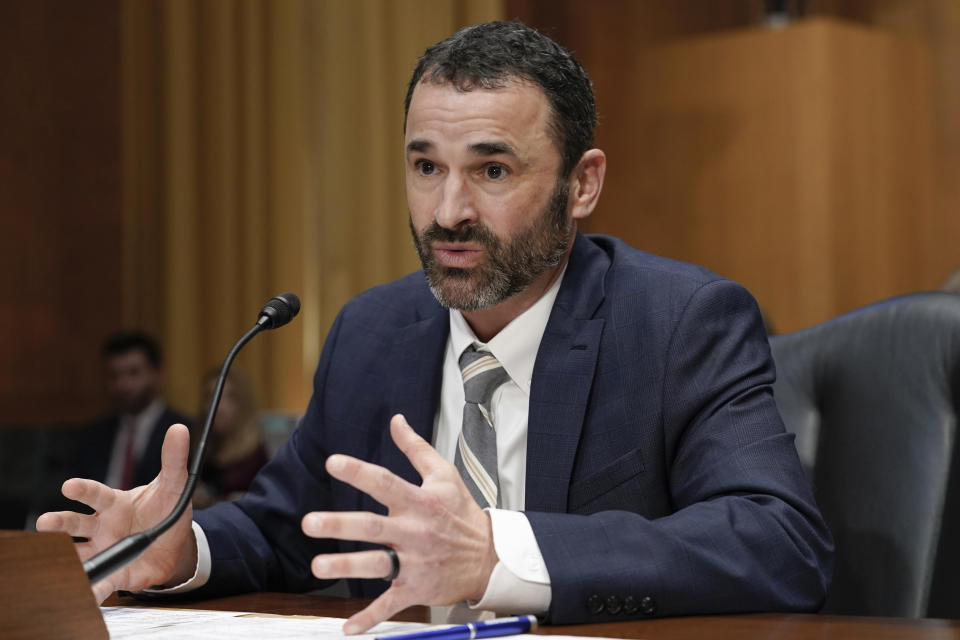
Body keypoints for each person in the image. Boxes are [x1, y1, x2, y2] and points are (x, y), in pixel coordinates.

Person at [38, 21, 832, 633]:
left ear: (582, 184)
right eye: (426, 167)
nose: (448, 212)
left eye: (492, 170)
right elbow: (289, 527)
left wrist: (499, 555)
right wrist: (183, 550)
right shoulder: (374, 331)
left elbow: (778, 541)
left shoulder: (678, 322)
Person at [72, 331, 192, 491]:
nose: (122, 385)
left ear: (157, 374)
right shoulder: (92, 436)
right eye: (114, 376)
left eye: (133, 373)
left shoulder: (185, 431)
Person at [192, 368, 269, 509]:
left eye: (229, 398)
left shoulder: (257, 456)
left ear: (243, 403)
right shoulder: (202, 451)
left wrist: (212, 502)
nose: (217, 407)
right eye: (210, 397)